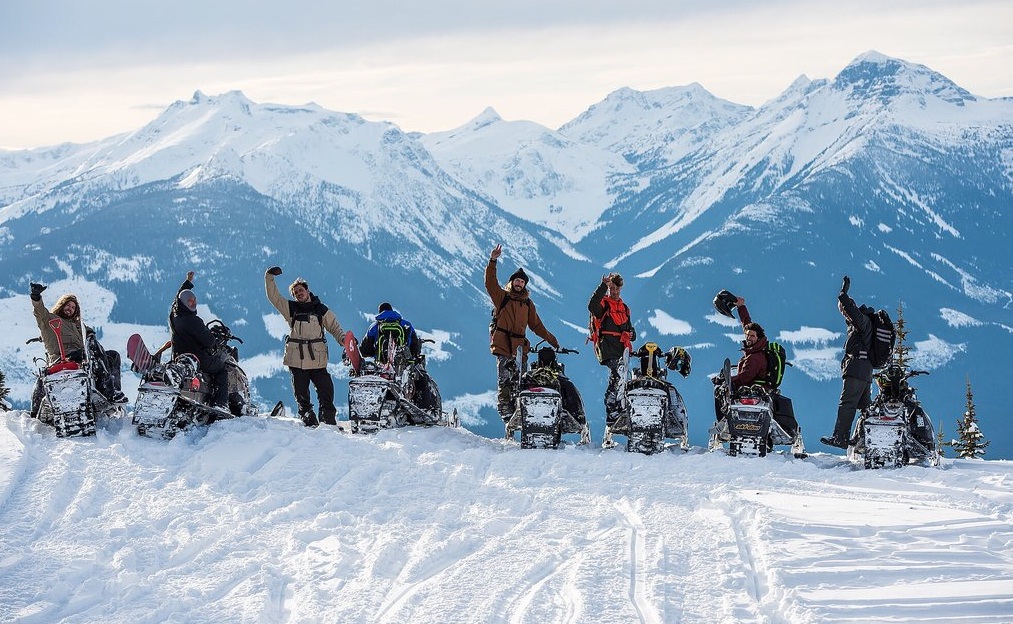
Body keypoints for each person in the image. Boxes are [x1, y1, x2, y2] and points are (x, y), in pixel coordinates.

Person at [485, 244, 560, 422]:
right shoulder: (502, 297)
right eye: (517, 281)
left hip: (520, 348)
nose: (519, 284)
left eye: (522, 282)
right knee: (505, 381)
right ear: (512, 282)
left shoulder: (527, 304)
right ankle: (506, 414)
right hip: (503, 345)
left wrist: (552, 340)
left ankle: (521, 413)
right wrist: (493, 261)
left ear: (525, 285)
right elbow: (490, 283)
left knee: (521, 382)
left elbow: (536, 325)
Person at [265, 267, 345, 426]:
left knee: (326, 391)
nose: (299, 294)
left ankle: (328, 422)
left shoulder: (321, 309)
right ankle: (309, 421)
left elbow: (334, 327)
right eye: (295, 293)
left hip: (317, 360)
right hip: (297, 360)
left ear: (308, 291)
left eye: (301, 290)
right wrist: (269, 277)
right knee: (301, 395)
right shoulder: (291, 309)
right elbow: (274, 297)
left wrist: (342, 339)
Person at [29, 281, 126, 409]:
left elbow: (88, 331)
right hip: (62, 357)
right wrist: (36, 297)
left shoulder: (77, 325)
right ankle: (108, 392)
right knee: (92, 351)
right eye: (68, 305)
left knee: (113, 356)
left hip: (81, 355)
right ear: (61, 305)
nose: (70, 309)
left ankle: (114, 390)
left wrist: (90, 334)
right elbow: (39, 311)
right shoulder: (49, 319)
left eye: (73, 307)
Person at [821, 275, 873, 449]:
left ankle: (840, 438)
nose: (843, 313)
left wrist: (843, 294)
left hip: (857, 369)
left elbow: (850, 309)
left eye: (843, 310)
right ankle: (864, 438)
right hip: (864, 370)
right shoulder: (860, 325)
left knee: (847, 404)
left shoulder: (861, 321)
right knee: (865, 407)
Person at [359, 302, 439, 415]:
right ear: (392, 311)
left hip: (381, 366)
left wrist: (375, 354)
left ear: (380, 312)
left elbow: (364, 350)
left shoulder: (374, 327)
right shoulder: (406, 324)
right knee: (422, 378)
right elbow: (415, 348)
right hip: (402, 365)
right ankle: (426, 409)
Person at [169, 271, 230, 413]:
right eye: (189, 301)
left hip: (178, 358)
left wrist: (187, 283)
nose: (193, 303)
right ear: (184, 303)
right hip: (198, 360)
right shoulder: (194, 321)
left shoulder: (174, 317)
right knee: (222, 369)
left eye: (194, 300)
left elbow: (175, 300)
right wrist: (215, 341)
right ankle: (220, 404)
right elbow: (208, 341)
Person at [712, 295, 770, 420]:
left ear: (758, 338)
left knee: (719, 391)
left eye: (752, 336)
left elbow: (744, 377)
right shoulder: (754, 348)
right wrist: (741, 306)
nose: (748, 338)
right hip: (750, 385)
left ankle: (723, 420)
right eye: (748, 335)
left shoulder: (755, 357)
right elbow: (746, 323)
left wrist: (726, 381)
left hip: (752, 388)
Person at [587, 273, 634, 427]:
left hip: (622, 350)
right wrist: (602, 286)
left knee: (622, 379)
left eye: (617, 288)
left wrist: (632, 334)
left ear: (621, 289)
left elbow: (630, 328)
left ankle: (619, 409)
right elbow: (592, 305)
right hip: (608, 348)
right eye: (612, 288)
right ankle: (612, 412)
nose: (614, 291)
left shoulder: (624, 308)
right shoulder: (604, 305)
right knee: (616, 377)